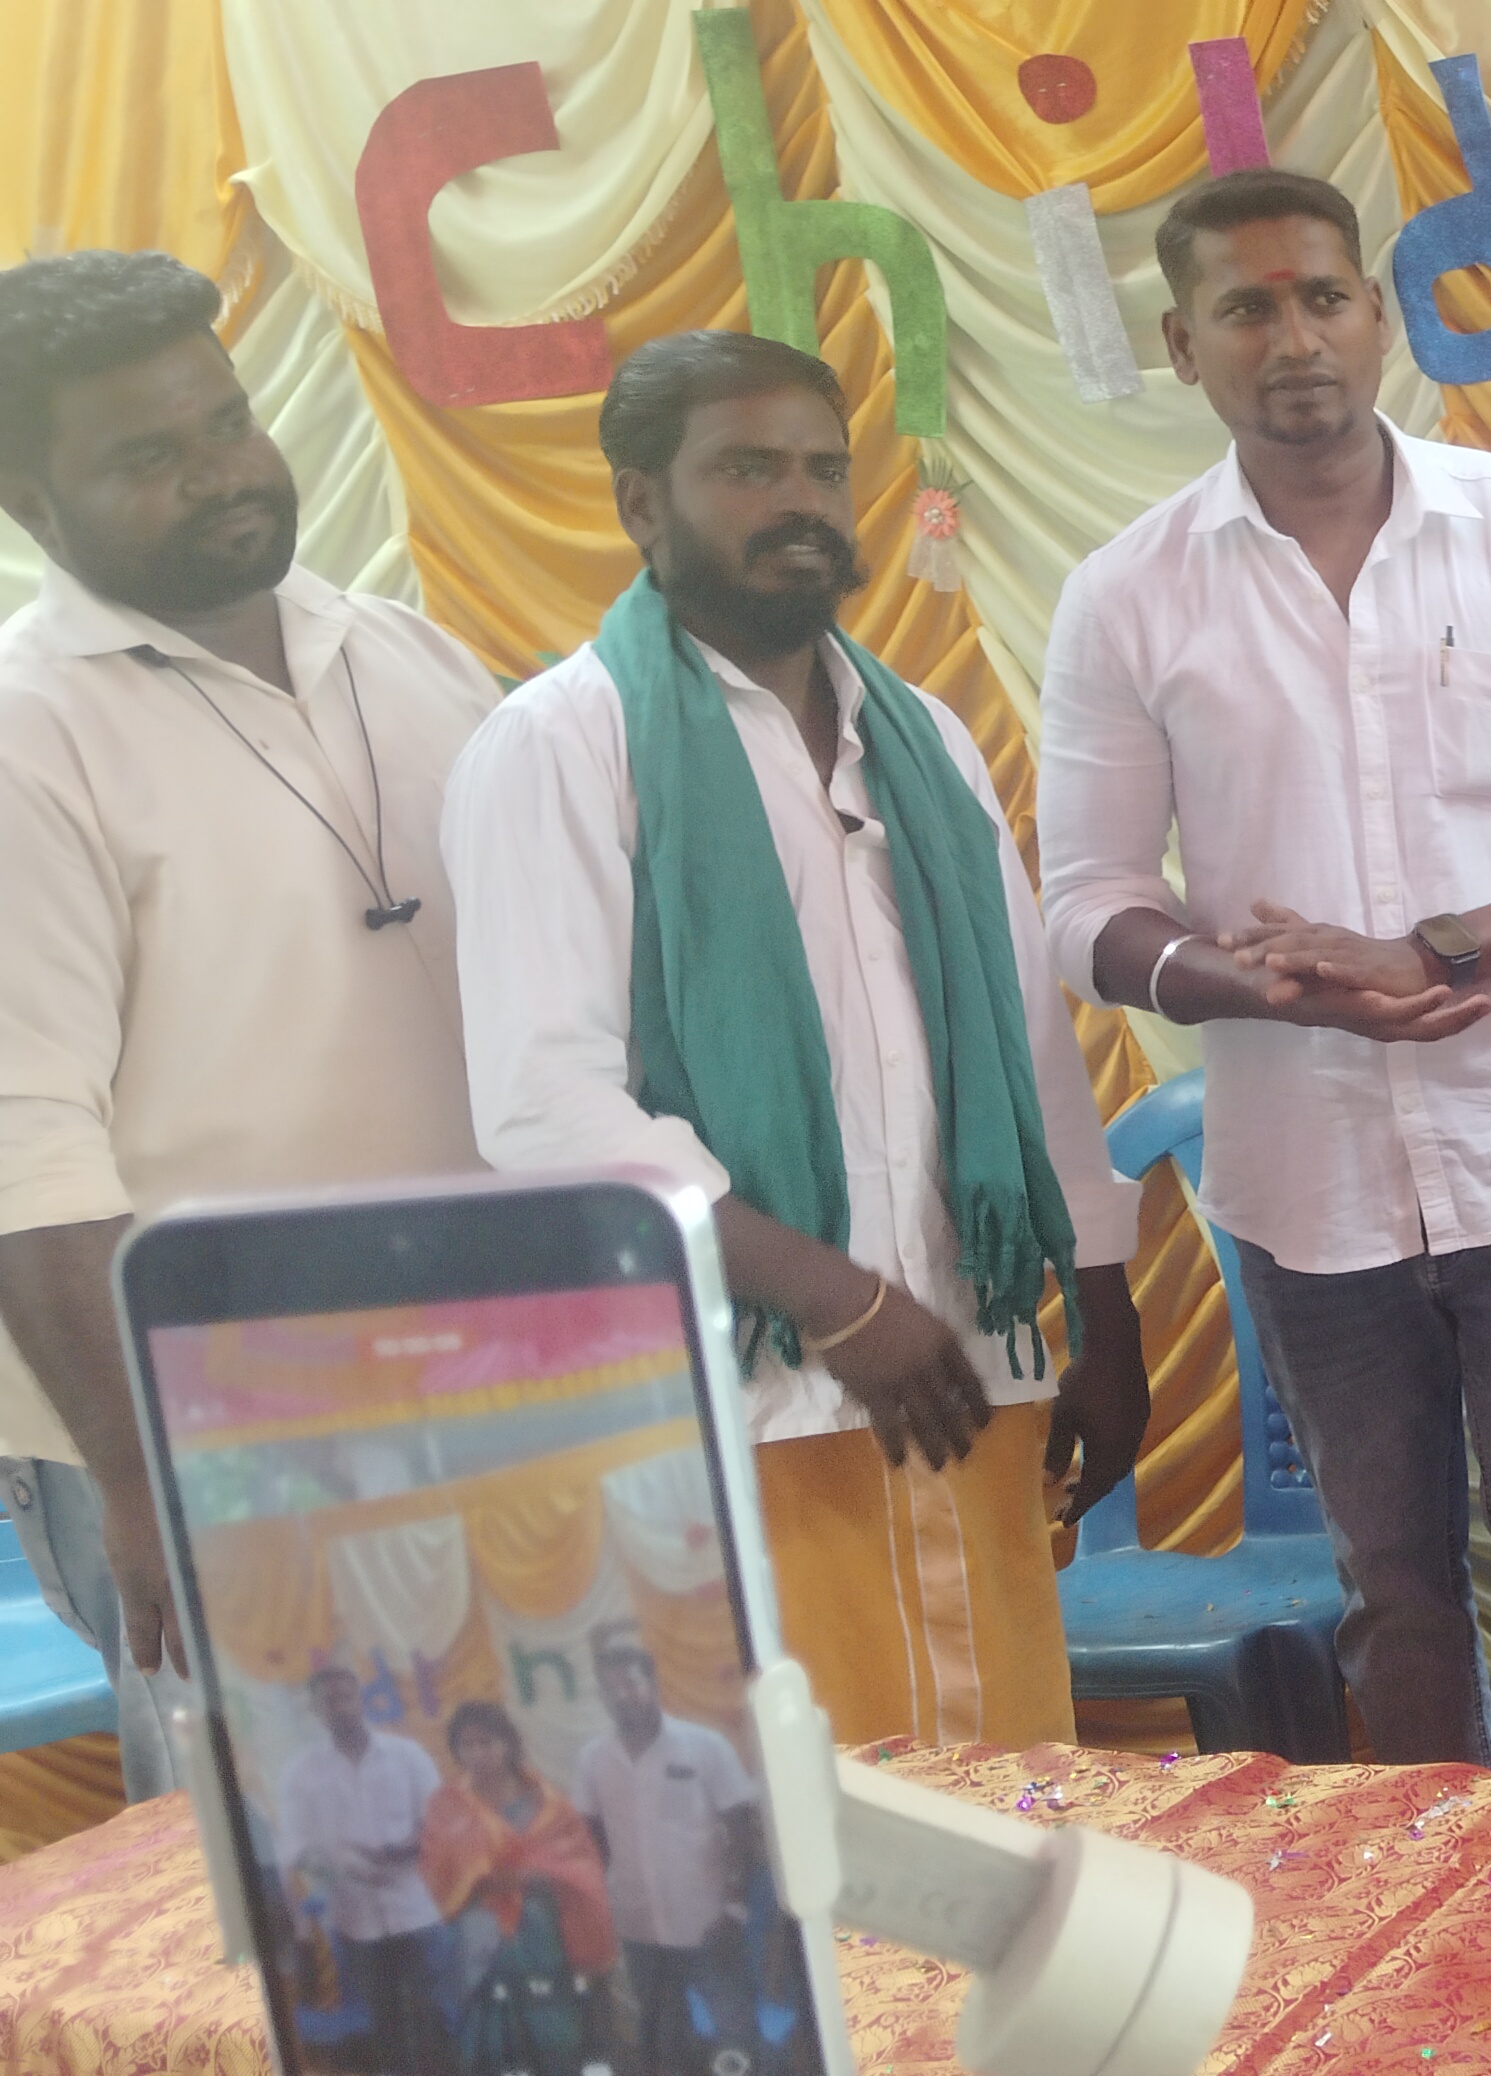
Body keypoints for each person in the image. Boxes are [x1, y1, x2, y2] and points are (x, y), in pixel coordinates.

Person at [444, 332, 1146, 1750]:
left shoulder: (923, 737)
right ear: (642, 502)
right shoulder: (565, 745)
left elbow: (1027, 1040)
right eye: (748, 469)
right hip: (735, 1400)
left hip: (965, 1361)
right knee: (816, 1810)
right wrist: (833, 1298)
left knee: (1015, 1793)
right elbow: (543, 1104)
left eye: (824, 469)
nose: (802, 503)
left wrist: (1104, 1312)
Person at [1041, 168, 1491, 1770]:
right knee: (1392, 1597)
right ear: (1183, 345)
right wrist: (1243, 983)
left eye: (1323, 297)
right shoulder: (1126, 595)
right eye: (1246, 308)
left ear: (1380, 317)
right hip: (1305, 1183)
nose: (1294, 336)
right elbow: (1088, 903)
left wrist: (1432, 950)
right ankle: (1446, 1902)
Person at [0, 249, 491, 1810]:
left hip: (493, 1375)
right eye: (149, 455)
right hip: (203, 1431)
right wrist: (142, 1471)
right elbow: (23, 1142)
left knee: (518, 1849)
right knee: (299, 1878)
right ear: (26, 497)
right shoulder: (28, 736)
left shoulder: (404, 652)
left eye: (226, 421)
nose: (220, 473)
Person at [570, 1639, 793, 2076]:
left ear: (652, 1684)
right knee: (661, 2037)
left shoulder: (704, 1746)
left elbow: (742, 1829)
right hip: (637, 1926)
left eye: (630, 1683)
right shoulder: (593, 1760)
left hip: (709, 1923)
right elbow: (591, 1839)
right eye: (611, 1688)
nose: (622, 1695)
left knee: (732, 2035)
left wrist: (734, 1907)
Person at [421, 1700, 617, 2076]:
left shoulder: (548, 1805)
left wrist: (532, 1877)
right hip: (480, 1937)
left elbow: (581, 1865)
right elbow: (436, 1868)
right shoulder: (448, 1805)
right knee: (489, 2034)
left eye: (486, 1742)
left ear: (508, 1744)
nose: (477, 1753)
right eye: (467, 1745)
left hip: (543, 1934)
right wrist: (477, 1877)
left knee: (553, 2029)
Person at [278, 1662, 453, 2073]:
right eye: (328, 1701)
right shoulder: (301, 1773)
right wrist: (340, 1865)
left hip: (416, 1913)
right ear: (316, 1710)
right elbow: (295, 1847)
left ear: (362, 1698)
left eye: (346, 1696)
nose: (339, 1707)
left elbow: (441, 1823)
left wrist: (399, 1850)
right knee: (384, 2027)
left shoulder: (407, 1756)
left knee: (435, 2021)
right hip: (354, 1921)